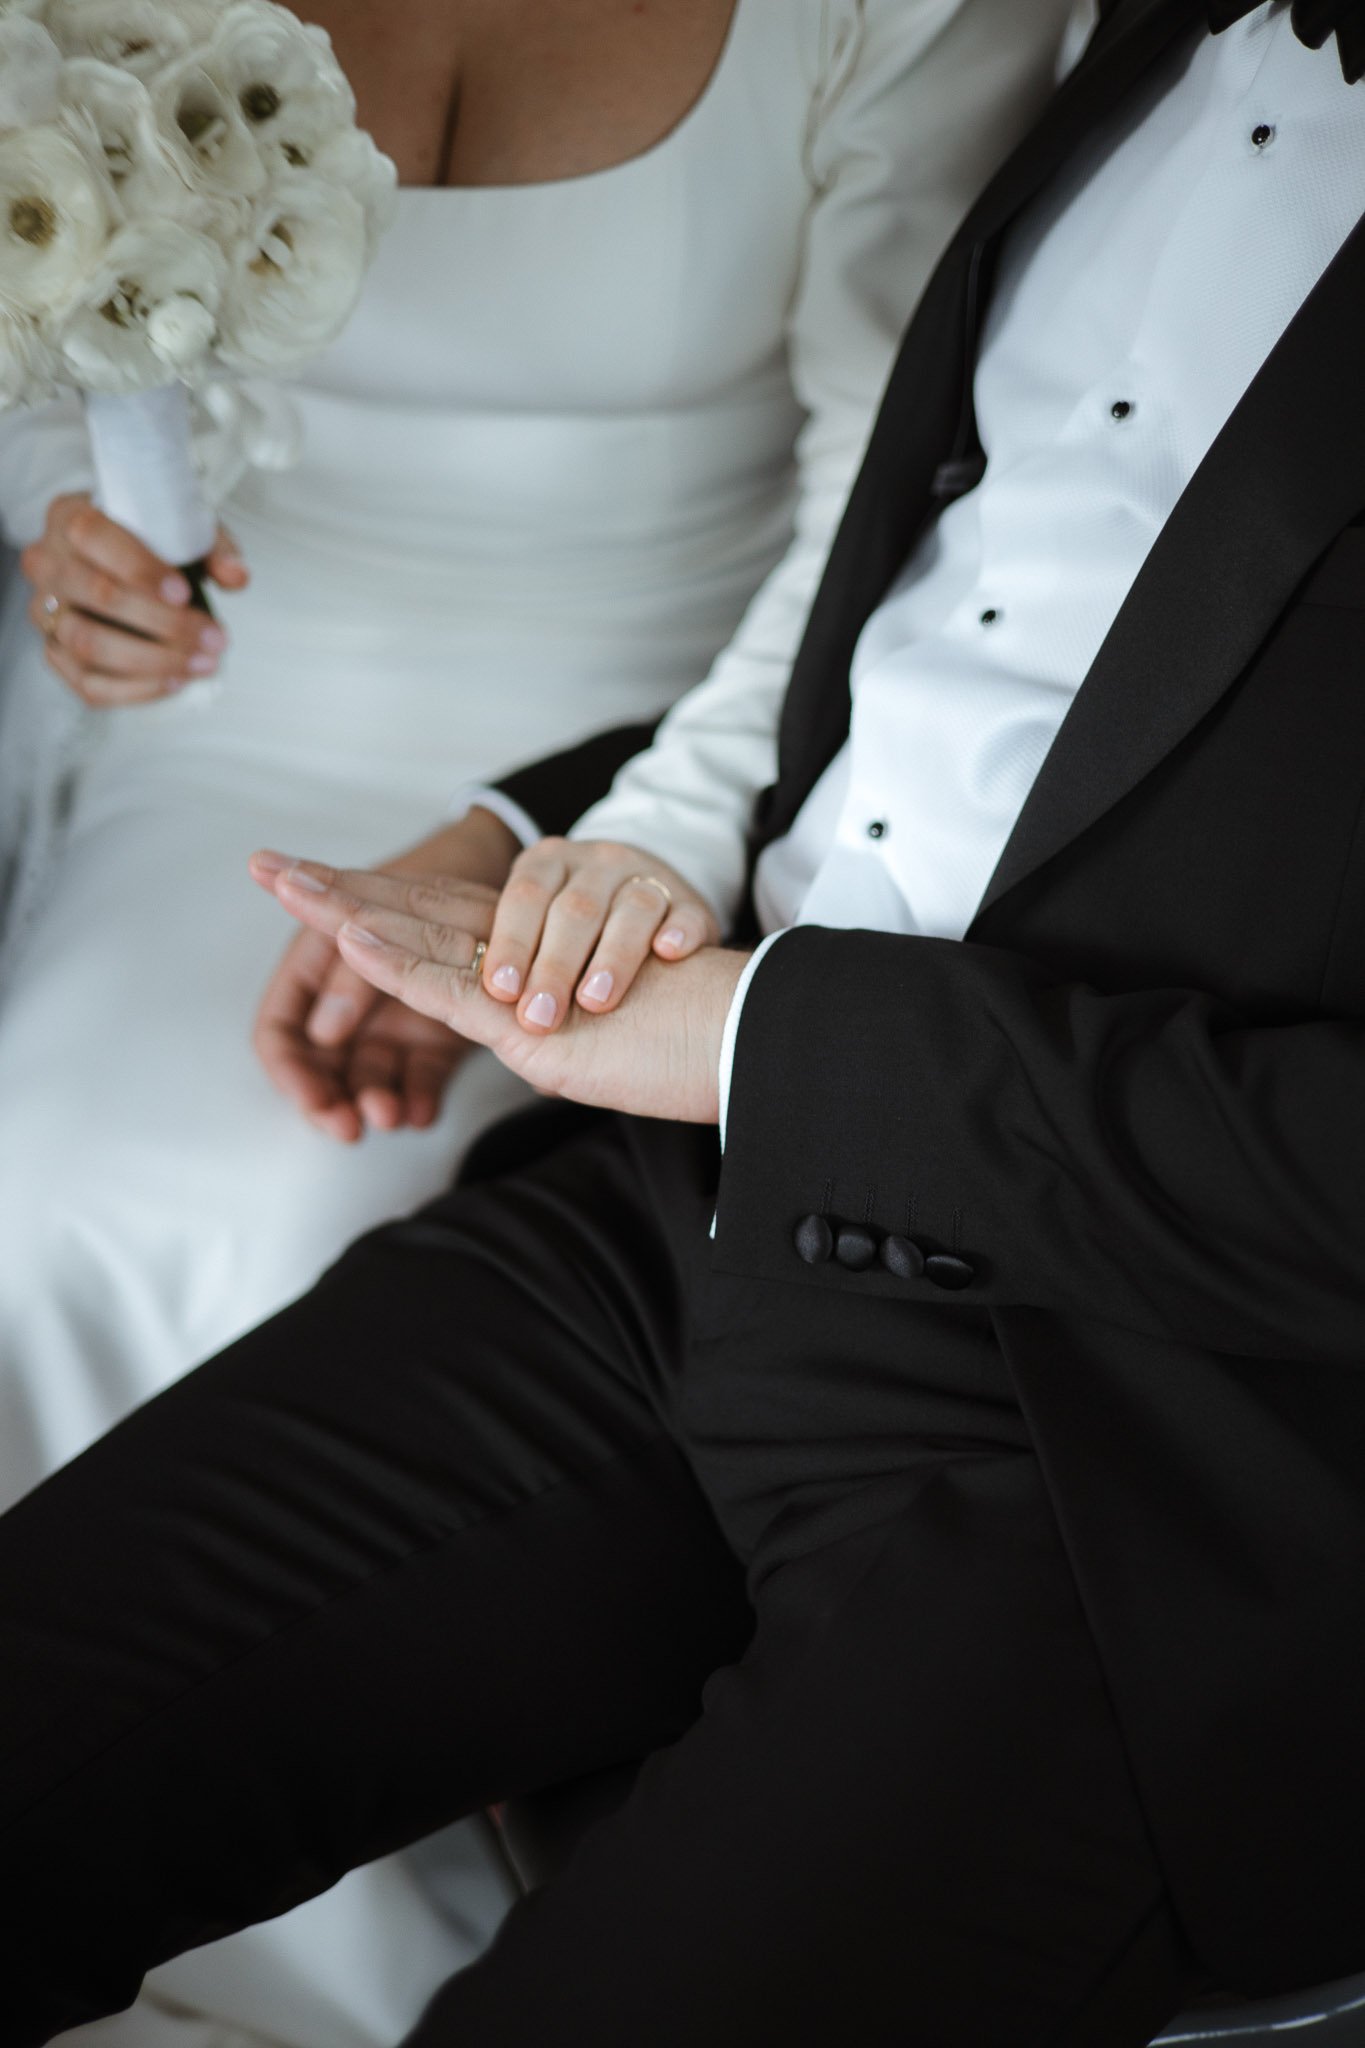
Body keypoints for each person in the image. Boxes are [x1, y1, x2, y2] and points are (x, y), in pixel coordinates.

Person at [7, 0, 1365, 2040]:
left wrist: (763, 1041)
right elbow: (983, 632)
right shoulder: (1157, 41)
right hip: (667, 1220)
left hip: (1154, 1446)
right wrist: (536, 839)